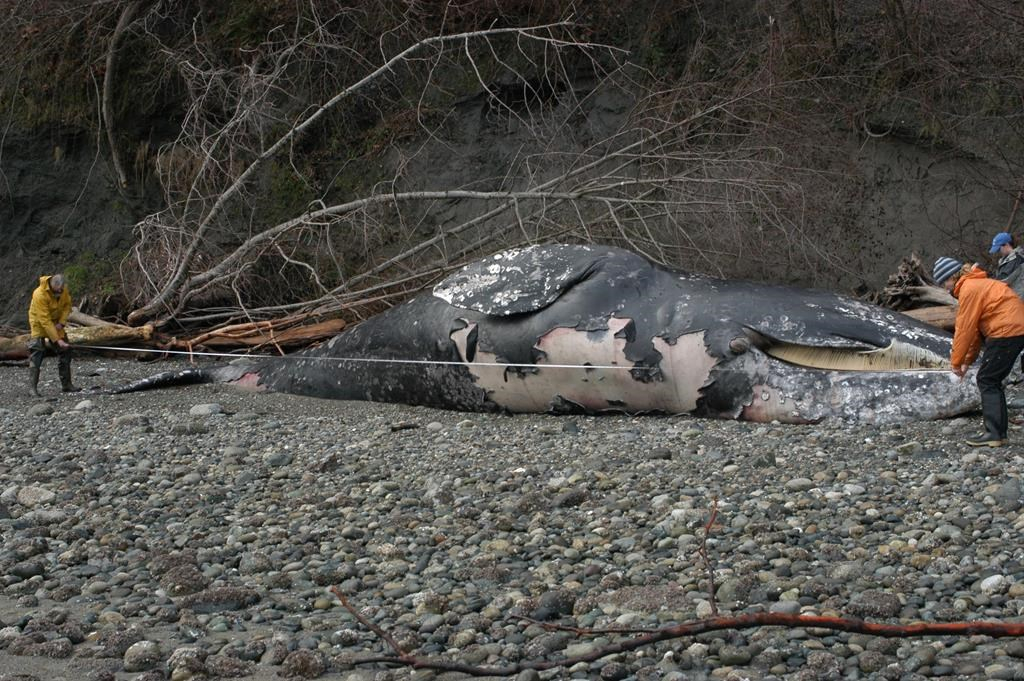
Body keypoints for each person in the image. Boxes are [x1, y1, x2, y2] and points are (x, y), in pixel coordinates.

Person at [933, 256, 1024, 447]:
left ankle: (994, 433)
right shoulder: (978, 283)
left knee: (987, 379)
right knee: (992, 379)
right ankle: (999, 433)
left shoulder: (969, 289)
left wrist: (955, 363)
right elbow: (974, 331)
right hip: (1015, 328)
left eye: (944, 283)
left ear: (952, 277)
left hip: (1006, 331)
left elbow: (964, 329)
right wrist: (967, 360)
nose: (945, 288)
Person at [27, 273, 80, 396]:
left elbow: (67, 306)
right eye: (58, 291)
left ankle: (66, 384)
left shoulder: (63, 290)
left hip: (56, 322)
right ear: (52, 286)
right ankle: (32, 388)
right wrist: (57, 340)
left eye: (62, 290)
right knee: (37, 351)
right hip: (39, 323)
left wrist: (61, 323)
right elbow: (44, 320)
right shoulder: (39, 294)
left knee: (65, 351)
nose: (61, 292)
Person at [990, 231, 1024, 299]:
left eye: (999, 248)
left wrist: (983, 281)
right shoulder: (1006, 259)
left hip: (1018, 301)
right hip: (1012, 299)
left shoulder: (1016, 259)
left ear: (1006, 245)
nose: (998, 251)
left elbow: (1003, 279)